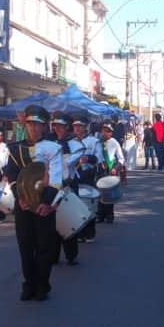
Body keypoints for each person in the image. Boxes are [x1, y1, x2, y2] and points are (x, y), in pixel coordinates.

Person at [6, 105, 62, 301]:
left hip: (44, 204)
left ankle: (42, 286)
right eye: (30, 124)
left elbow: (55, 179)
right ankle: (28, 284)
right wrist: (19, 198)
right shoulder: (15, 149)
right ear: (26, 124)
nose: (33, 128)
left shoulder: (54, 148)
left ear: (44, 126)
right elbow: (12, 176)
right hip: (23, 205)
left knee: (44, 247)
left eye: (37, 124)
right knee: (25, 246)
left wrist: (47, 203)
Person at [52, 112, 84, 265]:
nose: (57, 129)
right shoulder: (49, 142)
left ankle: (71, 255)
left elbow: (67, 163)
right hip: (52, 186)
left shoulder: (76, 145)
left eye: (60, 126)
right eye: (55, 126)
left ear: (67, 127)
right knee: (52, 223)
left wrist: (61, 146)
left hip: (67, 185)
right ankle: (53, 255)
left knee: (68, 221)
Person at [72, 113, 100, 243]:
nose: (77, 129)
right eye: (75, 126)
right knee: (76, 204)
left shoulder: (94, 141)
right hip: (74, 176)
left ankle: (89, 233)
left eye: (80, 126)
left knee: (88, 204)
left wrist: (89, 158)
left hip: (88, 175)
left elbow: (99, 159)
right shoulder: (70, 142)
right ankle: (79, 233)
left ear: (85, 127)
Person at [96, 121, 125, 223]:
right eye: (103, 131)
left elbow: (121, 159)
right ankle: (99, 214)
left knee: (108, 193)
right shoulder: (97, 142)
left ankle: (109, 215)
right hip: (99, 170)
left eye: (108, 131)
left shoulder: (114, 142)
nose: (105, 133)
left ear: (111, 133)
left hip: (110, 169)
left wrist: (115, 168)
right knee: (99, 192)